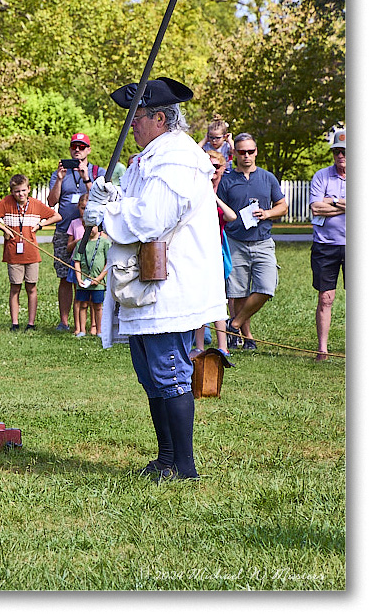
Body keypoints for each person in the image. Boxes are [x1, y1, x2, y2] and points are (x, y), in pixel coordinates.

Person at [86, 77, 226, 481]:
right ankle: (166, 459)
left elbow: (151, 219)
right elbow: (134, 205)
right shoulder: (150, 157)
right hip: (147, 286)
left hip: (169, 286)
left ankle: (184, 466)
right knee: (152, 376)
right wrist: (106, 199)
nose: (131, 126)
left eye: (137, 117)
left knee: (169, 372)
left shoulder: (176, 159)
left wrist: (108, 215)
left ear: (160, 118)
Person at [217, 133, 289, 350]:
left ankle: (235, 324)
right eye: (242, 152)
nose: (246, 156)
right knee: (237, 293)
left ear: (256, 152)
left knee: (267, 287)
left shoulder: (267, 178)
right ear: (235, 153)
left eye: (250, 151)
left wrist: (267, 214)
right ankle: (247, 338)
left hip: (262, 241)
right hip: (235, 241)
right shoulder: (227, 180)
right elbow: (219, 209)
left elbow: (283, 206)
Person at [0, 173, 61, 331]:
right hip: (13, 253)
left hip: (31, 252)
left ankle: (31, 323)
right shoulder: (6, 203)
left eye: (23, 190)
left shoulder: (36, 204)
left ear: (29, 189)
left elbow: (57, 216)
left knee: (31, 287)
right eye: (17, 191)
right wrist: (3, 228)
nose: (21, 194)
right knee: (15, 287)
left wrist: (40, 225)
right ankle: (15, 323)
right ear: (12, 191)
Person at [47, 133, 100, 332]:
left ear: (88, 149)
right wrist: (59, 180)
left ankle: (91, 324)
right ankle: (64, 321)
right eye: (74, 147)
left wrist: (86, 177)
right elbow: (52, 202)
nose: (77, 150)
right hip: (63, 232)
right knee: (65, 277)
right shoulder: (59, 173)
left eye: (81, 147)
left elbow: (99, 197)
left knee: (89, 275)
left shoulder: (97, 170)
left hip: (90, 233)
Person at [193, 150, 237, 355]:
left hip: (215, 251)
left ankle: (222, 346)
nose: (212, 173)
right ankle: (199, 346)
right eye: (208, 168)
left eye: (216, 168)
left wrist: (214, 198)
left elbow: (231, 216)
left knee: (218, 298)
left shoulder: (221, 190)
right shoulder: (195, 189)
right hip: (196, 250)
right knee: (199, 298)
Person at [309, 128, 346, 361]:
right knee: (325, 298)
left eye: (345, 151)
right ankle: (322, 349)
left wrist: (329, 201)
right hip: (325, 245)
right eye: (337, 152)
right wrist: (343, 203)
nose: (340, 156)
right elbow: (315, 207)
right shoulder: (322, 176)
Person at [71, 224, 110, 338]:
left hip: (98, 282)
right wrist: (78, 278)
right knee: (83, 304)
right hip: (84, 281)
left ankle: (99, 330)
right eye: (88, 227)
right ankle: (82, 330)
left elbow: (109, 262)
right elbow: (77, 261)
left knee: (98, 305)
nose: (91, 229)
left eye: (93, 226)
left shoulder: (105, 243)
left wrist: (98, 279)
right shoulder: (81, 243)